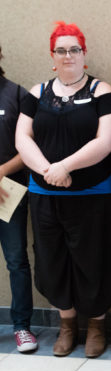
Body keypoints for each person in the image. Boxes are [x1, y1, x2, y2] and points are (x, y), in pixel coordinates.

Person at [16, 21, 111, 358]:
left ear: (84, 54)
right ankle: (67, 324)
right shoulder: (37, 93)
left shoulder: (102, 92)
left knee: (94, 259)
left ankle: (96, 326)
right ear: (52, 56)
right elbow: (23, 138)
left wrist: (65, 167)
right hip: (45, 195)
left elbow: (106, 141)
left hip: (94, 194)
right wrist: (48, 170)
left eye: (74, 49)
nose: (68, 55)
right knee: (51, 260)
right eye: (61, 50)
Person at [0, 45, 37, 353]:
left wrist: (0, 172)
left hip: (8, 191)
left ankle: (22, 327)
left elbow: (27, 149)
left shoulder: (16, 95)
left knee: (16, 260)